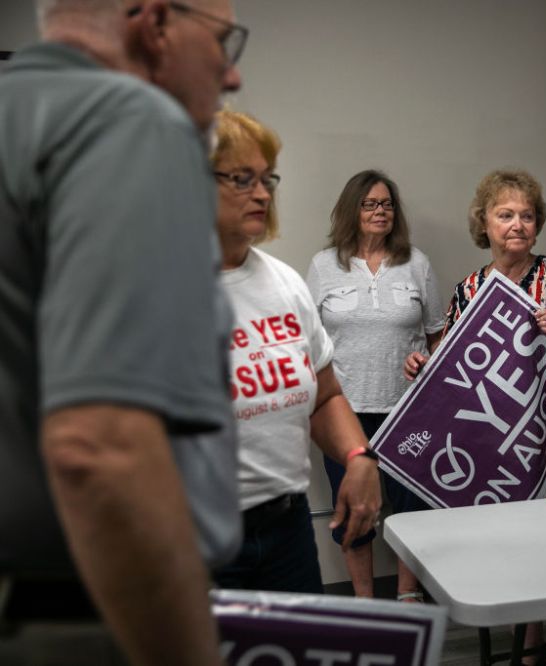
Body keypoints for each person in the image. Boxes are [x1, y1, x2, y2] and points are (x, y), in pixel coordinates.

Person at [0, 1, 244, 664]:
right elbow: (100, 447)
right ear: (154, 24)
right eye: (223, 43)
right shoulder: (130, 120)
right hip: (83, 618)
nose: (231, 76)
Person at [406, 168, 546, 666]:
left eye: (527, 215)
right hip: (504, 452)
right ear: (485, 223)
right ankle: (529, 653)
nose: (517, 224)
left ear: (538, 225)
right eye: (505, 215)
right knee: (524, 559)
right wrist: (422, 367)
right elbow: (451, 370)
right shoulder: (469, 290)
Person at [210, 111, 382, 593]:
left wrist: (358, 456)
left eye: (267, 179)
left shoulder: (283, 283)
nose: (263, 194)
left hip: (286, 529)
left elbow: (324, 395)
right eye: (242, 179)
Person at [307, 170, 446, 601]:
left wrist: (430, 364)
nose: (380, 211)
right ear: (352, 210)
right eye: (369, 204)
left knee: (412, 507)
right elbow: (307, 341)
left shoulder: (417, 263)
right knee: (354, 509)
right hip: (343, 413)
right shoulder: (323, 265)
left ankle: (407, 595)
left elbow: (438, 336)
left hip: (407, 410)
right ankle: (365, 604)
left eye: (386, 204)